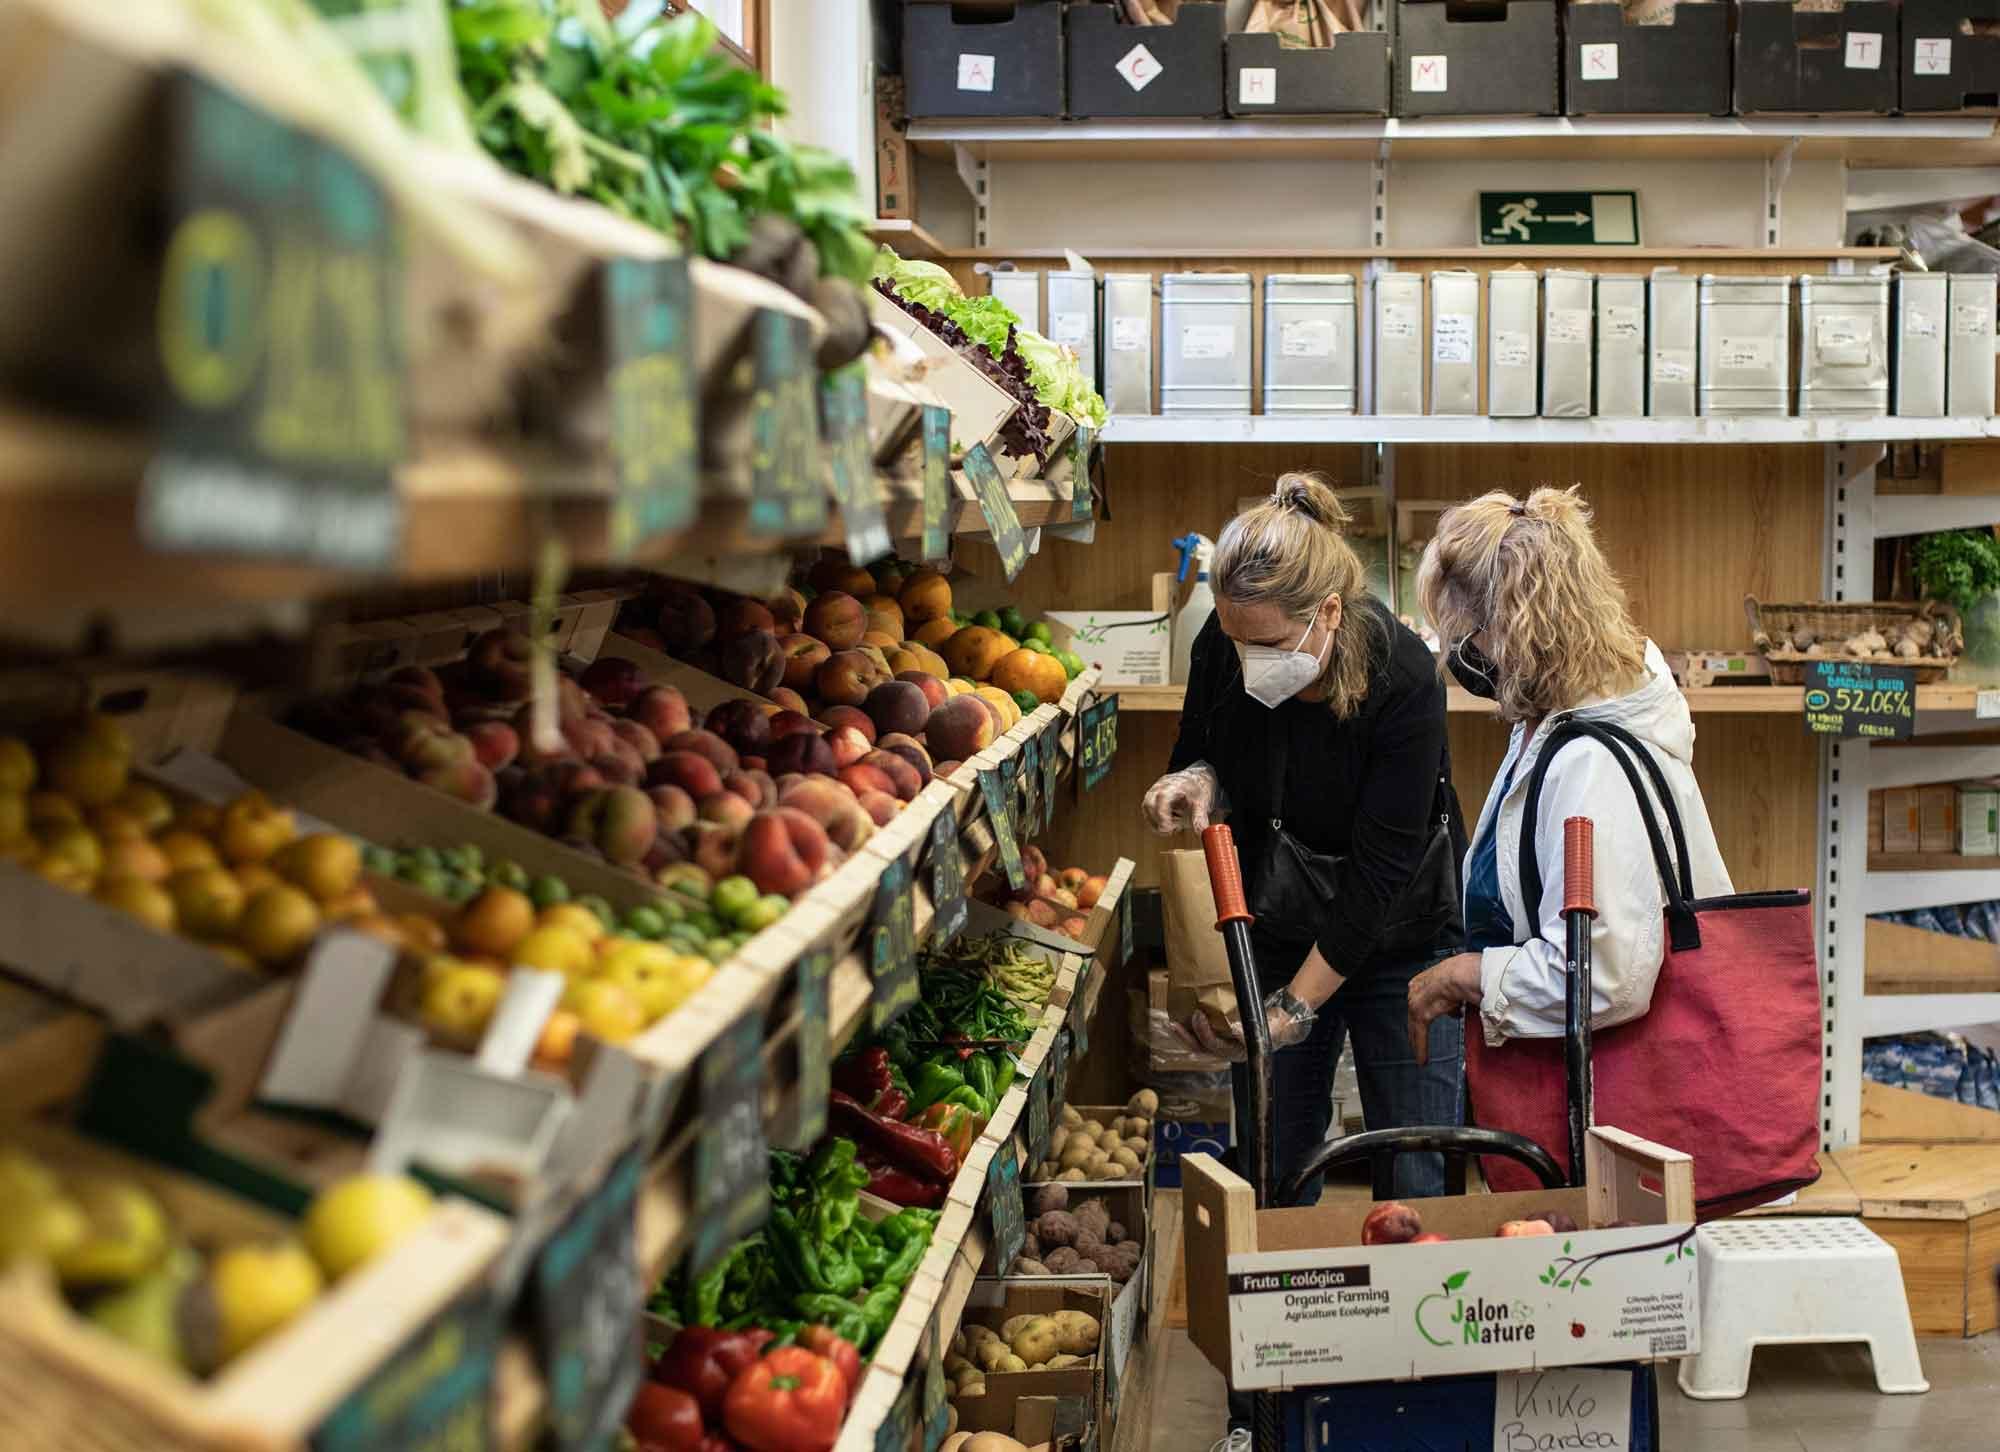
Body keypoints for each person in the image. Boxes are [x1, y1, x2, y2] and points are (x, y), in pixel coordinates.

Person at [1142, 472, 1466, 1208]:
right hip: (1277, 923)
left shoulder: (1402, 674)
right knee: (1275, 1164)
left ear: (1328, 612)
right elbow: (1201, 746)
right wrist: (1194, 779)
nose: (1247, 661)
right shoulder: (1223, 643)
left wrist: (1292, 1008)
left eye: (1269, 644)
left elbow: (1382, 872)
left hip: (1400, 935)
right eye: (1235, 640)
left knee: (1413, 1166)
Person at [1405, 486, 1732, 1103]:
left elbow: (1603, 977)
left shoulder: (1589, 764)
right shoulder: (1550, 727)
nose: (1461, 656)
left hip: (1602, 1100)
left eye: (1467, 635)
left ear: (1514, 627)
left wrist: (1467, 975)